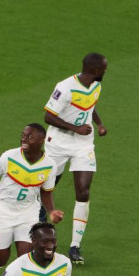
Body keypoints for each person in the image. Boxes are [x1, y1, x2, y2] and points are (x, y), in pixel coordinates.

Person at [42, 53, 108, 264]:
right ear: (96, 70)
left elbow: (90, 105)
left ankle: (74, 246)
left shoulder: (95, 85)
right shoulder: (65, 87)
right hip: (58, 143)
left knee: (84, 191)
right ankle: (37, 220)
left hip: (83, 144)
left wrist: (98, 123)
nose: (106, 71)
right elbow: (48, 116)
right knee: (48, 185)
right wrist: (75, 128)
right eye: (104, 68)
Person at [0, 124, 64, 268]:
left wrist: (51, 211)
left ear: (41, 140)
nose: (23, 139)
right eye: (23, 136)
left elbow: (46, 192)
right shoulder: (9, 157)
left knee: (26, 260)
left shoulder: (50, 165)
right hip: (3, 211)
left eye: (29, 137)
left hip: (28, 214)